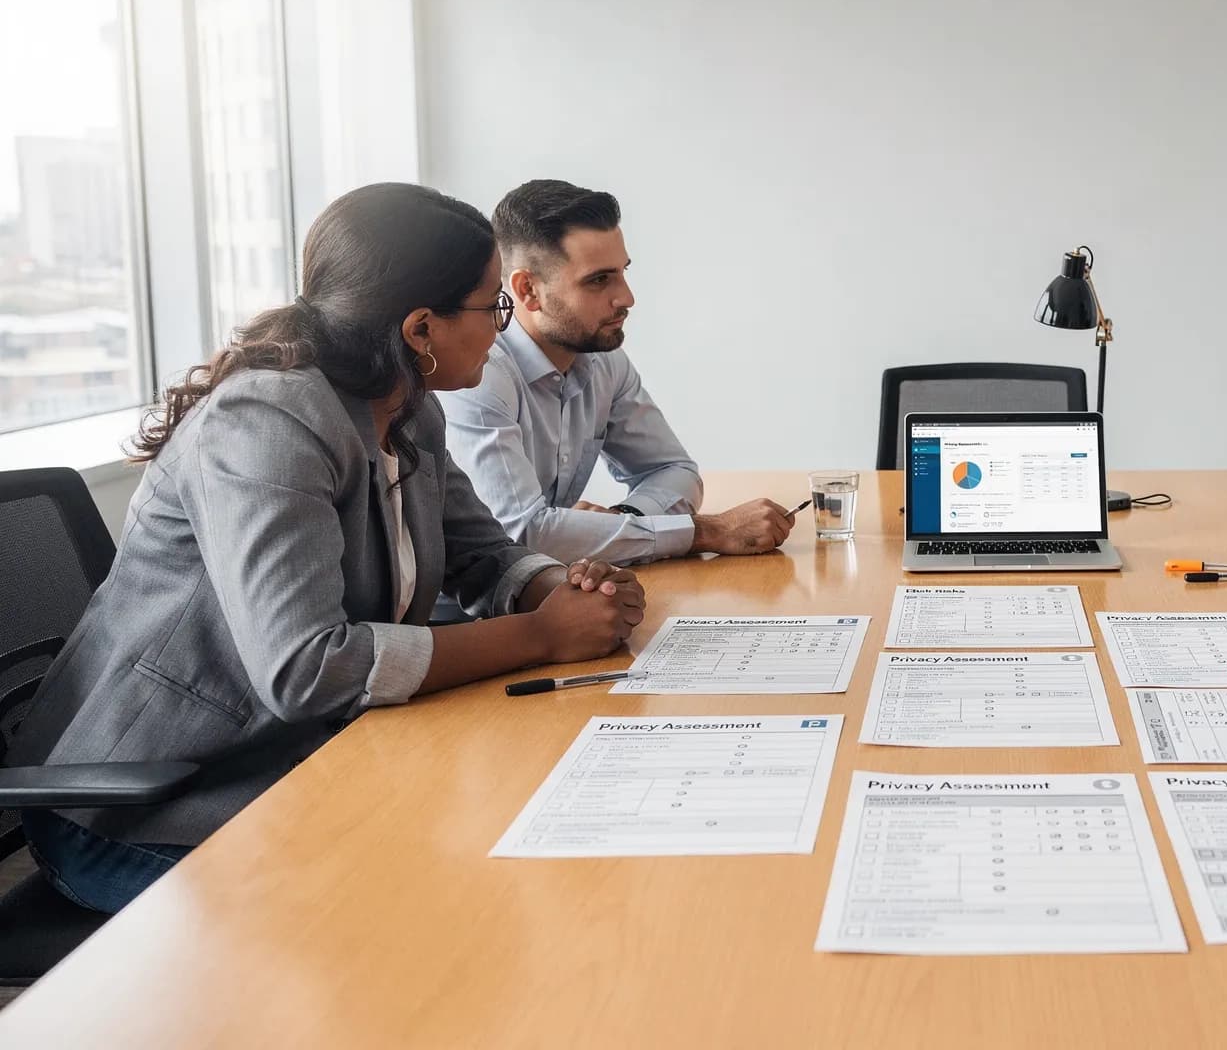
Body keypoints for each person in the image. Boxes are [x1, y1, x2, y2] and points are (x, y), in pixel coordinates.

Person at [6, 183, 645, 913]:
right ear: (420, 329)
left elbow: (481, 551)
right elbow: (306, 666)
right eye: (492, 305)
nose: (503, 328)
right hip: (147, 804)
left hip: (298, 758)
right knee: (417, 910)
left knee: (497, 844)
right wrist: (541, 635)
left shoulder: (407, 411)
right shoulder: (267, 423)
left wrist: (565, 589)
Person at [437, 179, 791, 567]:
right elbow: (520, 534)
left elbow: (674, 470)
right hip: (473, 600)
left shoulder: (603, 359)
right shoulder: (479, 373)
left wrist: (627, 519)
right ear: (528, 290)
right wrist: (707, 531)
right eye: (599, 280)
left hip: (551, 586)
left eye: (623, 272)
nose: (627, 298)